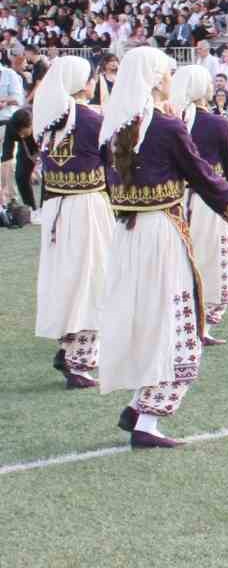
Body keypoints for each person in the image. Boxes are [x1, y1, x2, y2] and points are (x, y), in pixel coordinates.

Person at [96, 47, 228, 449]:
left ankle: (140, 407)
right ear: (156, 78)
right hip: (160, 232)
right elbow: (201, 173)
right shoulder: (166, 126)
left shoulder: (114, 125)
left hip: (126, 233)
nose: (172, 78)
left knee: (148, 318)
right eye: (168, 72)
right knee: (178, 324)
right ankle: (149, 417)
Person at [33, 56, 114, 389]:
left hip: (56, 207)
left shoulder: (46, 118)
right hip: (87, 206)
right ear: (84, 82)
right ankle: (78, 360)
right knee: (94, 280)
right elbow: (112, 162)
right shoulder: (91, 119)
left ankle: (67, 346)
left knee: (67, 279)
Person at [173, 66, 228, 339]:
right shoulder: (216, 124)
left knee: (187, 262)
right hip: (211, 202)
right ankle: (202, 325)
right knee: (217, 264)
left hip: (178, 199)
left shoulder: (171, 120)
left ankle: (191, 323)